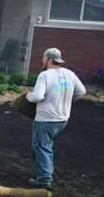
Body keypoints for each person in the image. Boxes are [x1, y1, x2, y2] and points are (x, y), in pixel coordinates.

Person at [25, 47, 86, 189]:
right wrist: (67, 101)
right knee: (43, 145)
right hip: (63, 118)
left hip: (46, 118)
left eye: (43, 58)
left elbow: (37, 96)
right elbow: (81, 91)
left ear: (49, 60)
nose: (42, 60)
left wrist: (28, 96)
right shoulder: (69, 74)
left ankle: (44, 180)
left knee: (42, 147)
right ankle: (39, 173)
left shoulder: (45, 75)